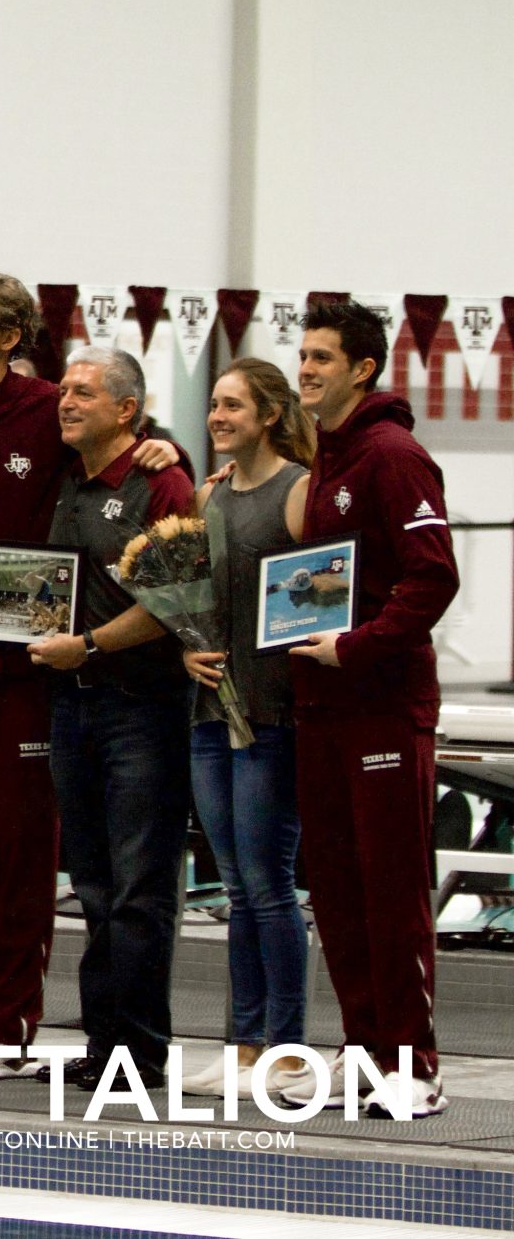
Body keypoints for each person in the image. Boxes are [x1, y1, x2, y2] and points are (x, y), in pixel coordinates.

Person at [0, 273, 171, 1078]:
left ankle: (10, 1019)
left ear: (12, 335)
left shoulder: (50, 408)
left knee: (23, 845)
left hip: (30, 661)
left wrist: (162, 447)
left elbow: (123, 458)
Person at [289, 298, 458, 1117]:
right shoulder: (328, 458)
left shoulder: (392, 455)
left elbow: (433, 577)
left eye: (323, 356)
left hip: (382, 705)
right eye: (303, 354)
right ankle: (364, 1052)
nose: (307, 368)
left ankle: (414, 1065)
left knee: (389, 889)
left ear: (362, 368)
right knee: (338, 890)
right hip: (323, 703)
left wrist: (356, 647)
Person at [26, 346, 195, 1088]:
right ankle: (105, 1044)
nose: (64, 401)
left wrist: (87, 646)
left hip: (142, 706)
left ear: (126, 409)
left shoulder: (162, 481)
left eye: (82, 392)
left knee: (139, 885)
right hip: (75, 703)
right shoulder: (69, 483)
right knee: (93, 883)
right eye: (63, 389)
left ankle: (140, 1049)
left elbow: (171, 604)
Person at [177, 358, 312, 1099]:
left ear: (267, 414)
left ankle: (286, 1046)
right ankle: (245, 1043)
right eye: (214, 405)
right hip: (209, 711)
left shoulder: (298, 492)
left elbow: (324, 594)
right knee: (235, 884)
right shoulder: (208, 495)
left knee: (268, 883)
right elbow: (193, 599)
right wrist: (187, 649)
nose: (219, 416)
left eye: (233, 405)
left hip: (270, 714)